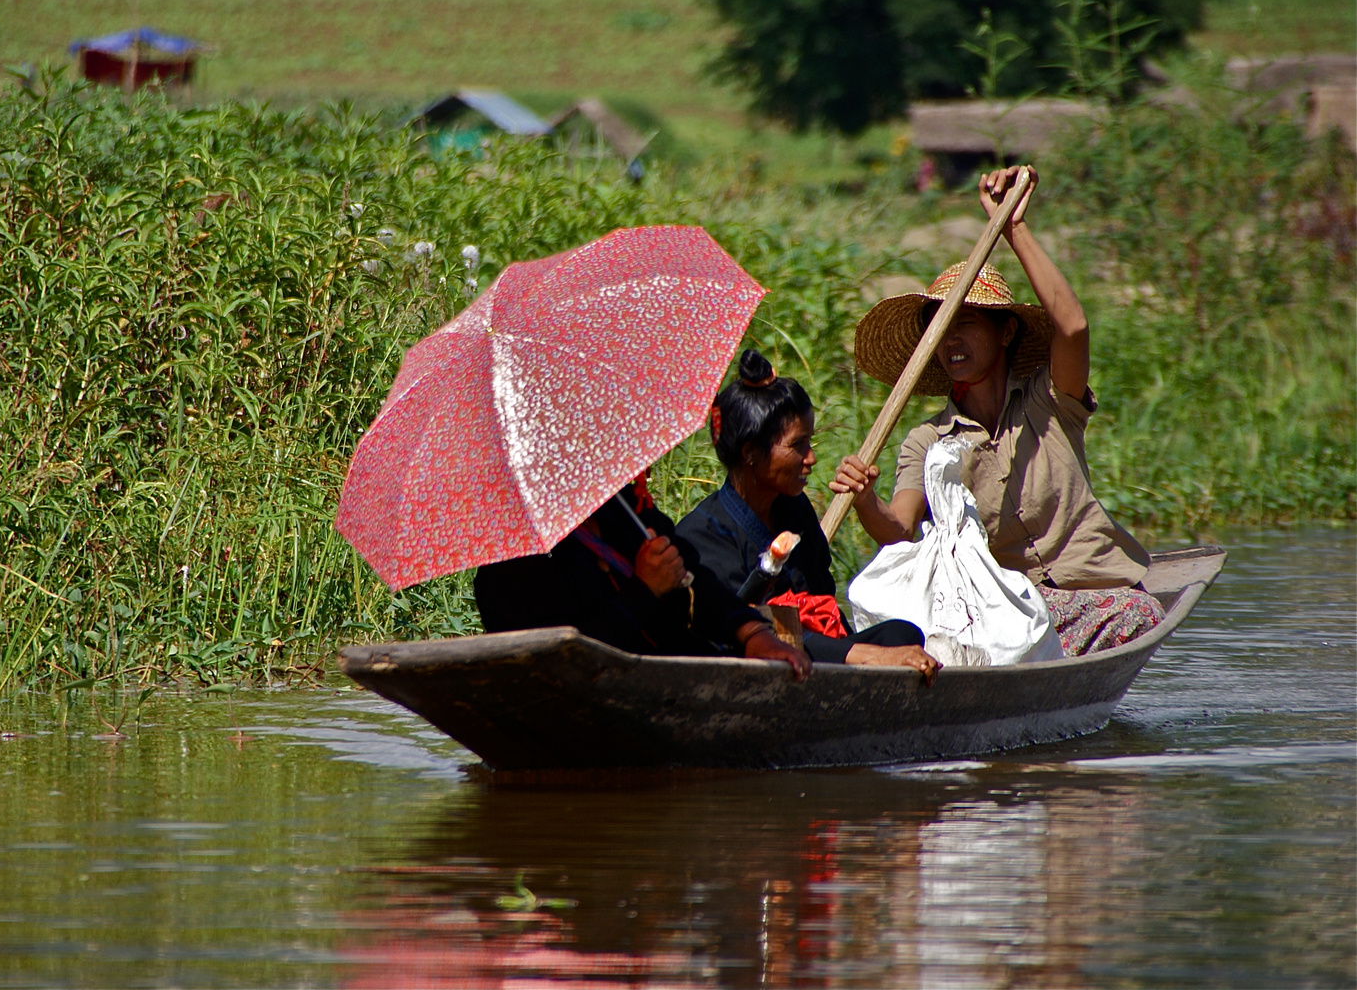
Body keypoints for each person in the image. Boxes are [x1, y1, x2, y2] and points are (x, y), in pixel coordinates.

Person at [830, 165, 1163, 654]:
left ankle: (1048, 656)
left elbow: (1072, 327)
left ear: (1006, 332)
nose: (952, 341)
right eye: (943, 330)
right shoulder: (928, 440)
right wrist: (864, 499)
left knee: (1140, 613)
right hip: (1008, 607)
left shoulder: (1049, 401)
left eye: (966, 323)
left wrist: (1014, 229)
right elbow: (898, 529)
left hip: (1093, 595)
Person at [676, 349, 941, 681]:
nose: (811, 458)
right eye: (797, 445)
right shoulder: (701, 535)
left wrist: (875, 652)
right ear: (751, 453)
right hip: (760, 662)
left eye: (810, 442)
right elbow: (739, 630)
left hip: (816, 650)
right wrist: (864, 655)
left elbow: (822, 599)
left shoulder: (794, 508)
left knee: (900, 637)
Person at [473, 476, 812, 681]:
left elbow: (693, 579)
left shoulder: (621, 510)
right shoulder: (512, 559)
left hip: (678, 675)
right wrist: (645, 590)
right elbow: (560, 660)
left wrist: (752, 633)